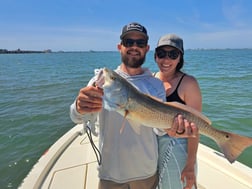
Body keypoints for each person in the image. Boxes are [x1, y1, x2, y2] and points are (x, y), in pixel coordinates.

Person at [70, 23, 198, 189]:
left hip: (147, 173)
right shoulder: (100, 82)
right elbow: (78, 118)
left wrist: (173, 129)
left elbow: (158, 129)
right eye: (128, 42)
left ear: (147, 49)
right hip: (110, 174)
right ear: (120, 46)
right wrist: (79, 107)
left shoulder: (155, 84)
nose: (134, 47)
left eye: (140, 43)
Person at [153, 34, 201, 189]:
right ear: (155, 56)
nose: (166, 60)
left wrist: (190, 164)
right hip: (154, 149)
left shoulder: (188, 83)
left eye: (173, 54)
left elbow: (196, 128)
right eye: (162, 54)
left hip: (179, 150)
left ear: (180, 58)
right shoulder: (151, 80)